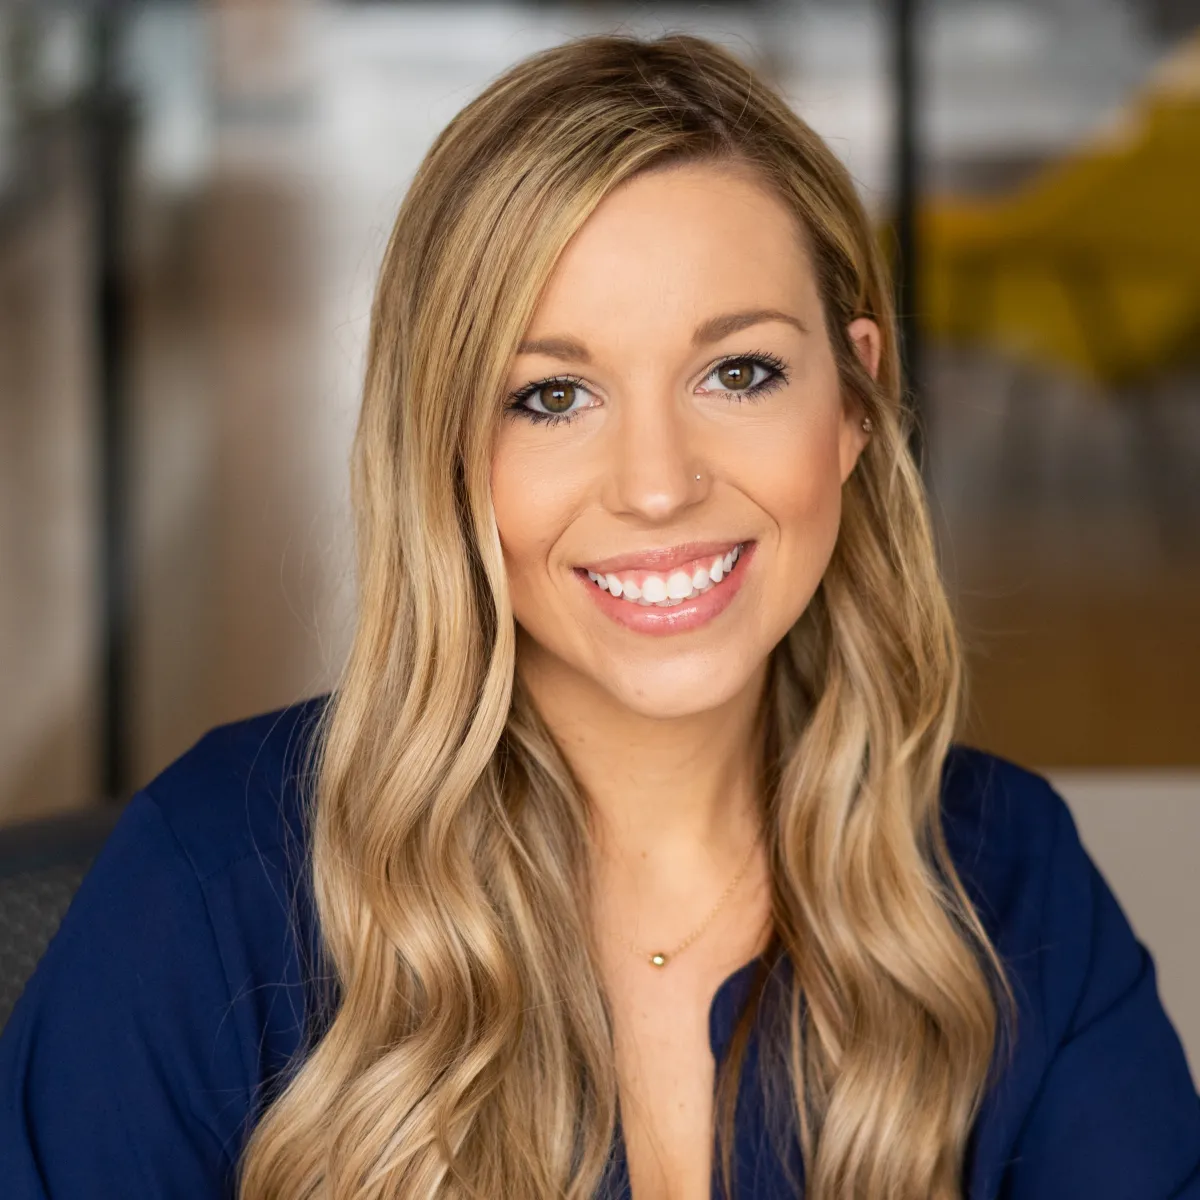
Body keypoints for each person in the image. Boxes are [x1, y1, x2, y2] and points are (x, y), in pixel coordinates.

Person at [2, 32, 1198, 1200]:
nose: (658, 484)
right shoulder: (209, 891)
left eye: (739, 372)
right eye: (552, 396)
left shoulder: (1008, 878)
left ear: (855, 403)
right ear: (448, 455)